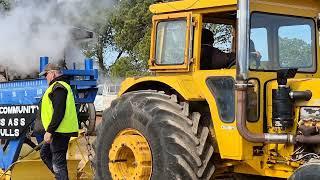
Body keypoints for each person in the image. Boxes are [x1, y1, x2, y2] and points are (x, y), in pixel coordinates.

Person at [39, 63, 79, 180]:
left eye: (46, 74)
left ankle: (61, 176)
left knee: (58, 164)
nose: (45, 77)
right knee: (44, 154)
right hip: (57, 131)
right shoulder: (57, 87)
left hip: (59, 132)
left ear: (52, 73)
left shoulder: (59, 87)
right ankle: (60, 177)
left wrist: (50, 131)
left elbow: (59, 111)